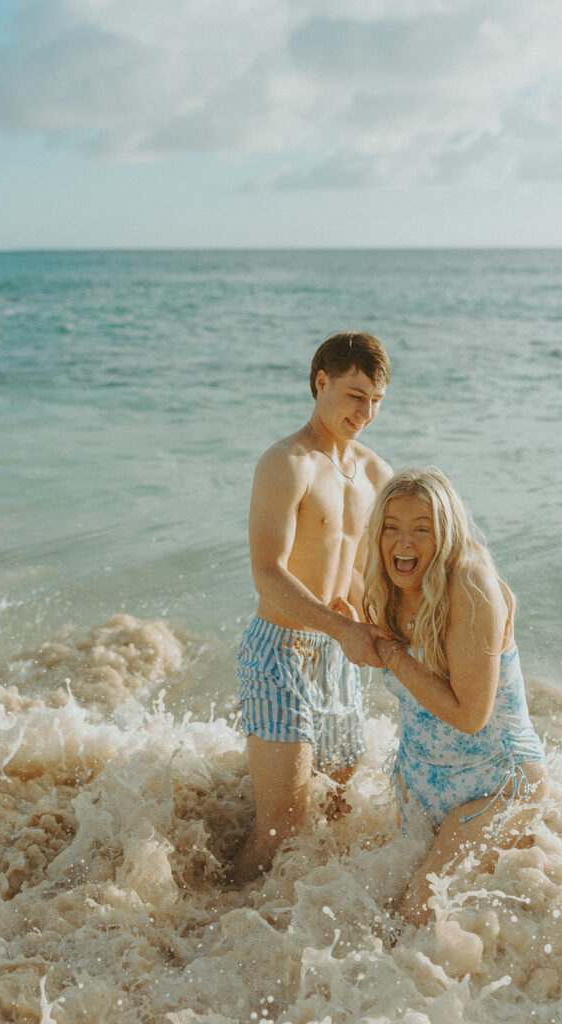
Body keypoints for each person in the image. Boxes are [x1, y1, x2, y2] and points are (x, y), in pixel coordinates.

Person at [230, 332, 393, 884]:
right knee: (284, 830)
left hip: (342, 656)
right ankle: (212, 919)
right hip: (280, 653)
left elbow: (385, 573)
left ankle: (301, 939)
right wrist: (341, 626)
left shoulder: (376, 474)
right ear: (321, 382)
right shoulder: (287, 463)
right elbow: (267, 572)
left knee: (338, 815)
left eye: (375, 400)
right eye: (354, 395)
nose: (365, 412)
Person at [360, 468, 548, 926]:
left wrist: (388, 651)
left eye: (421, 530)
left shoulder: (469, 585)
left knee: (415, 915)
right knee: (373, 907)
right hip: (420, 781)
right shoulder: (386, 583)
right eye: (392, 528)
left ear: (445, 534)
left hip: (495, 785)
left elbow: (470, 716)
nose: (403, 544)